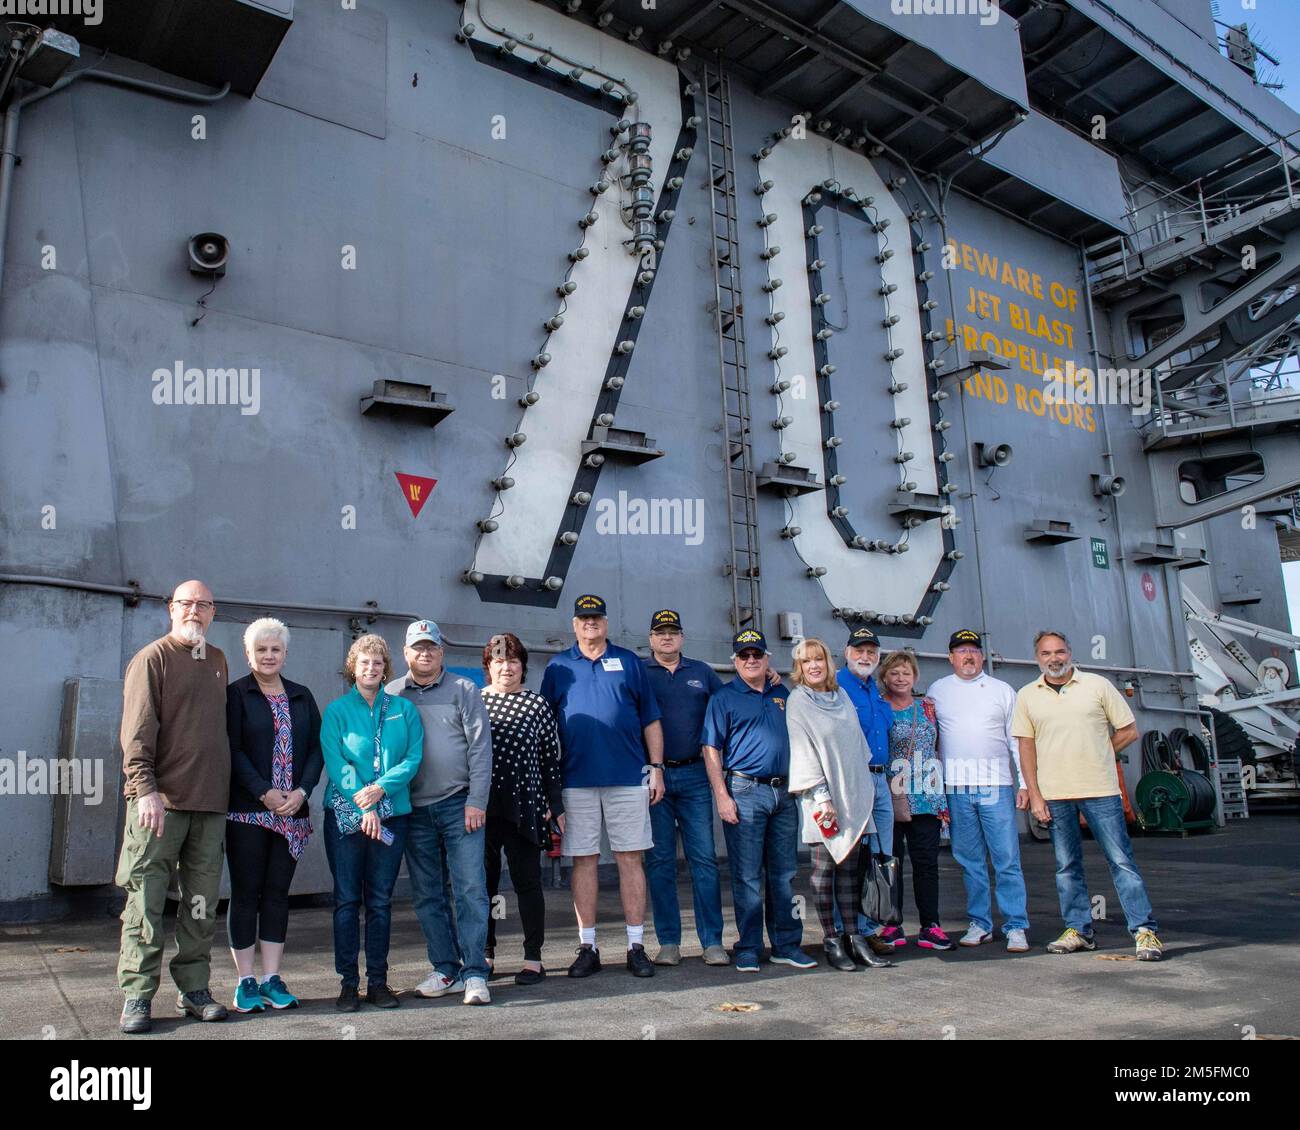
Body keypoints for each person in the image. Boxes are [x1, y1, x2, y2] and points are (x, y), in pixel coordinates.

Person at [116, 580, 232, 1034]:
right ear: (171, 609)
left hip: (209, 808)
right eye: (186, 603)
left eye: (203, 604)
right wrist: (144, 790)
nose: (194, 611)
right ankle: (138, 996)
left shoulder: (219, 661)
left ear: (212, 612)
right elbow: (137, 733)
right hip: (158, 806)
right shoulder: (153, 658)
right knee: (144, 904)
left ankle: (194, 989)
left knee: (200, 905)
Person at [1012, 630, 1162, 961]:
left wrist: (1101, 751)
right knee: (1066, 866)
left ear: (1070, 653)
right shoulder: (1027, 696)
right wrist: (1035, 795)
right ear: (1037, 658)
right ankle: (1079, 930)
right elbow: (1026, 747)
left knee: (1121, 861)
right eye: (1047, 653)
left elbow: (1129, 730)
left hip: (1100, 790)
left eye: (1060, 651)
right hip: (1055, 795)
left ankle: (1144, 931)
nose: (1055, 658)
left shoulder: (1098, 686)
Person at [540, 594, 664, 978]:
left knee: (631, 859)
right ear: (574, 625)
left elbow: (651, 719)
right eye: (584, 619)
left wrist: (656, 767)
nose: (590, 624)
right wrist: (549, 786)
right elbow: (546, 729)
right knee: (584, 861)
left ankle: (636, 945)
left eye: (596, 618)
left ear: (606, 623)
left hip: (628, 777)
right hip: (576, 781)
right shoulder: (559, 666)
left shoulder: (629, 662)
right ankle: (588, 946)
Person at [387, 619, 494, 1005]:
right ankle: (446, 969)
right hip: (413, 811)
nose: (425, 653)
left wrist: (477, 801)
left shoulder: (464, 690)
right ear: (406, 653)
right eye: (418, 647)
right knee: (427, 894)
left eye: (431, 647)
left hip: (458, 805)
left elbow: (480, 749)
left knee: (470, 890)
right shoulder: (393, 693)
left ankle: (476, 973)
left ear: (441, 653)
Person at [320, 633, 424, 1011]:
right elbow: (335, 762)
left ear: (385, 670)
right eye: (364, 662)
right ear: (353, 667)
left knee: (380, 901)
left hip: (392, 812)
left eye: (378, 663)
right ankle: (348, 983)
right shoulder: (336, 711)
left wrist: (380, 790)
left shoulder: (403, 709)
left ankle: (378, 982)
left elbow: (412, 758)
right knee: (347, 900)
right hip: (346, 816)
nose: (371, 668)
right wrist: (363, 804)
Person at [225, 617, 324, 1013]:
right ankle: (245, 982)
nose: (269, 656)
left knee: (277, 895)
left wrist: (302, 791)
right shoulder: (235, 695)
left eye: (275, 649)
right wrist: (263, 791)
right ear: (248, 654)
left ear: (285, 653)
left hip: (292, 815)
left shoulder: (302, 696)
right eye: (261, 649)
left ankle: (272, 978)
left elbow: (318, 749)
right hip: (249, 812)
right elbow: (232, 750)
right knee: (247, 894)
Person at [701, 628, 814, 974]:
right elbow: (710, 748)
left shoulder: (784, 693)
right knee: (747, 876)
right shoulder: (723, 697)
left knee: (785, 875)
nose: (751, 660)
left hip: (784, 793)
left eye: (757, 655)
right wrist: (722, 795)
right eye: (744, 656)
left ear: (767, 659)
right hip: (744, 791)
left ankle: (787, 944)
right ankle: (749, 946)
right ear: (735, 661)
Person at [786, 638, 893, 972]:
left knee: (850, 871)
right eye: (806, 661)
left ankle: (854, 937)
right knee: (824, 872)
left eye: (819, 659)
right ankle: (831, 939)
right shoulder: (798, 701)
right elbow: (804, 752)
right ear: (799, 668)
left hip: (853, 795)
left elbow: (858, 747)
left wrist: (864, 792)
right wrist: (822, 797)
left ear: (828, 663)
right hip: (822, 800)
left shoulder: (841, 696)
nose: (814, 666)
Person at [928, 629, 1030, 953]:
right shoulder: (937, 691)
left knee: (1007, 859)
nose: (967, 656)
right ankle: (980, 923)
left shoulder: (1002, 691)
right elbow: (932, 741)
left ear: (981, 656)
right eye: (961, 651)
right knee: (969, 860)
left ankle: (1015, 926)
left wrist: (1025, 784)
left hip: (996, 786)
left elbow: (1017, 742)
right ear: (951, 657)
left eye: (973, 650)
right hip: (956, 788)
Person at [641, 609, 730, 967]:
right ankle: (669, 943)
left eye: (673, 632)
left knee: (704, 860)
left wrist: (769, 679)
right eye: (660, 633)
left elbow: (729, 704)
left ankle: (712, 942)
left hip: (695, 776)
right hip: (656, 778)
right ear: (651, 638)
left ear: (682, 637)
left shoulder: (702, 673)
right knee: (660, 862)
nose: (667, 638)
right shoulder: (640, 673)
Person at [480, 633, 563, 985]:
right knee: (482, 885)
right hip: (482, 808)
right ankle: (483, 954)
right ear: (488, 666)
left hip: (525, 807)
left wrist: (552, 803)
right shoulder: (476, 701)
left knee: (527, 883)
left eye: (513, 661)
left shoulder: (537, 705)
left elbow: (550, 759)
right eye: (499, 661)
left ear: (523, 667)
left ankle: (533, 958)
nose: (506, 667)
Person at [878, 649, 953, 951]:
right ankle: (891, 925)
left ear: (915, 677)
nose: (900, 678)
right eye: (894, 673)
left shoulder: (929, 707)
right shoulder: (880, 707)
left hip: (927, 797)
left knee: (926, 864)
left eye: (905, 673)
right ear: (885, 677)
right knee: (890, 863)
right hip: (893, 795)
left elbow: (942, 744)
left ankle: (930, 926)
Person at [837, 625, 897, 954]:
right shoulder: (836, 685)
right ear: (847, 653)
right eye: (859, 650)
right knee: (849, 858)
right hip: (853, 778)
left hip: (880, 780)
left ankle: (870, 926)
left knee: (880, 857)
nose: (865, 656)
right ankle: (846, 930)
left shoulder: (874, 688)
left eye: (871, 652)